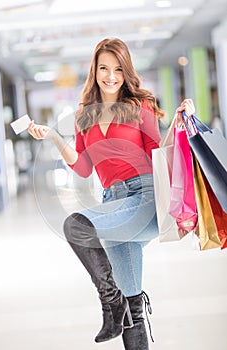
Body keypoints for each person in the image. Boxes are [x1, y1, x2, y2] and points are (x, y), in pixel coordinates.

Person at [28, 38, 195, 349]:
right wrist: (52, 136)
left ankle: (109, 302)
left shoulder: (139, 106)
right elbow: (82, 168)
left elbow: (159, 153)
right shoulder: (83, 117)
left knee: (76, 225)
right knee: (134, 308)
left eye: (118, 69)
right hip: (112, 203)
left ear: (125, 71)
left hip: (143, 198)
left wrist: (179, 123)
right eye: (104, 68)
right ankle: (121, 305)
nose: (111, 76)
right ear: (95, 70)